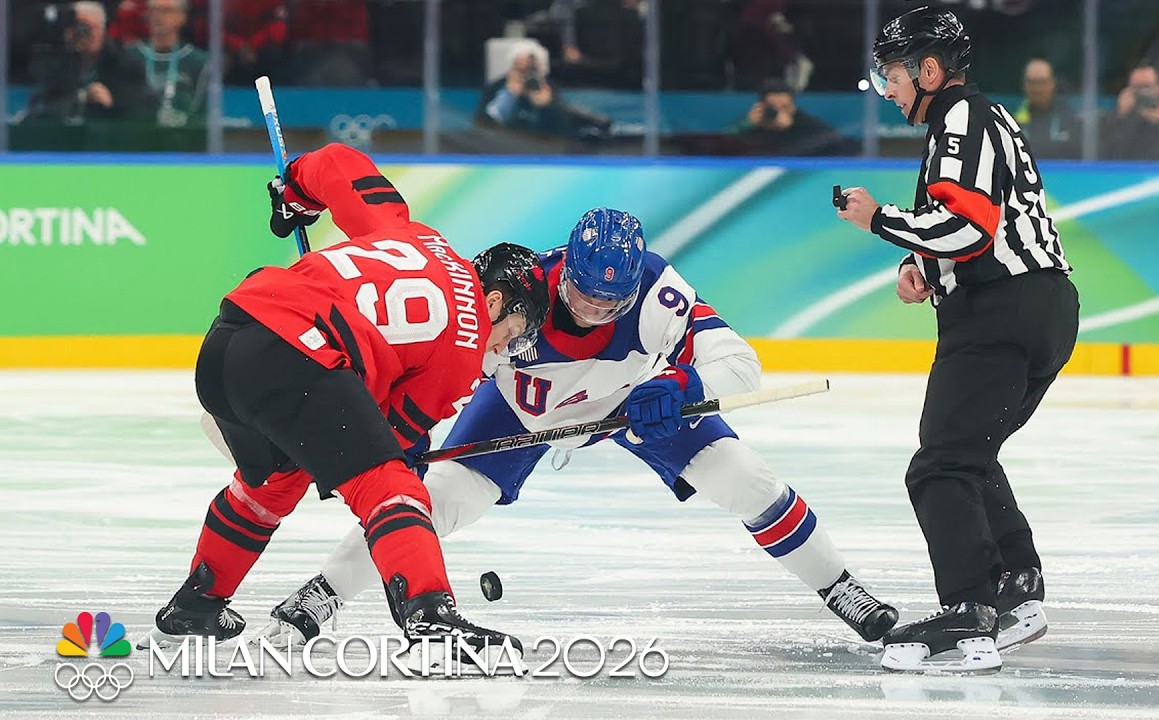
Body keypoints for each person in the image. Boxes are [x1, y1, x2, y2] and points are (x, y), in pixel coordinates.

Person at [251, 207, 900, 651]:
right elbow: (435, 359)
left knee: (747, 479)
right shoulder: (514, 289)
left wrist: (679, 384)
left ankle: (841, 586)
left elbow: (742, 365)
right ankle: (319, 597)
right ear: (564, 273)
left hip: (631, 404)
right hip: (524, 408)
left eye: (609, 303)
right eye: (584, 294)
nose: (593, 310)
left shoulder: (659, 294)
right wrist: (401, 428)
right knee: (430, 502)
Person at [140, 143, 550, 671]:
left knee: (274, 482)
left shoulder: (415, 234)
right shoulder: (467, 343)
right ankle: (430, 613)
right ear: (495, 302)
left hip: (230, 339)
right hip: (297, 356)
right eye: (511, 333)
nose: (501, 350)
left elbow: (338, 164)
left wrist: (295, 195)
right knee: (392, 487)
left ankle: (197, 602)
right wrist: (405, 456)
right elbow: (391, 437)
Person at [838, 7, 1078, 673]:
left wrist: (878, 219)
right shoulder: (986, 118)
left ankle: (968, 615)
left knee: (939, 466)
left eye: (892, 75)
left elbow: (968, 226)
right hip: (1039, 305)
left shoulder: (960, 118)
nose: (887, 89)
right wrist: (924, 269)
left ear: (930, 70)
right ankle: (1016, 588)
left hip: (1000, 312)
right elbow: (986, 223)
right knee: (969, 454)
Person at [23, 1, 153, 123]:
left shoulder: (126, 64)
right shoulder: (55, 63)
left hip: (108, 137)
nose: (81, 34)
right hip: (63, 138)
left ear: (102, 31)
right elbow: (40, 104)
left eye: (86, 28)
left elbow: (141, 108)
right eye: (76, 27)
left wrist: (112, 102)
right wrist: (82, 98)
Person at [475, 41, 611, 143]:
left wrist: (547, 107)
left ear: (539, 69)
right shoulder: (496, 88)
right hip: (503, 148)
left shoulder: (548, 88)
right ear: (511, 68)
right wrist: (508, 97)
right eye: (520, 69)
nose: (525, 76)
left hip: (540, 148)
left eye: (530, 70)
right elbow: (483, 126)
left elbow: (562, 133)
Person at [128, 0, 209, 127]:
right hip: (138, 136)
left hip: (183, 139)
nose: (158, 16)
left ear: (182, 17)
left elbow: (204, 110)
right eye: (153, 10)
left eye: (166, 11)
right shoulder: (128, 56)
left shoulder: (199, 61)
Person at [1102, 63, 1159, 160]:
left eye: (1147, 87)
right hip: (1129, 167)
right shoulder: (1121, 112)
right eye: (1137, 87)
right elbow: (1101, 146)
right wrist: (1119, 116)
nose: (1143, 93)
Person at [726, 79, 843, 156]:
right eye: (773, 107)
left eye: (785, 107)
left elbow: (831, 141)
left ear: (793, 106)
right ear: (762, 106)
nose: (779, 112)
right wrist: (746, 125)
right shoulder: (754, 120)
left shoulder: (805, 123)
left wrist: (791, 128)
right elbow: (722, 146)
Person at [1013, 58, 1079, 157]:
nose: (1037, 89)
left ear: (1052, 84)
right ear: (1024, 85)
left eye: (1042, 82)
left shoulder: (1071, 120)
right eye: (1032, 82)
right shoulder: (1013, 121)